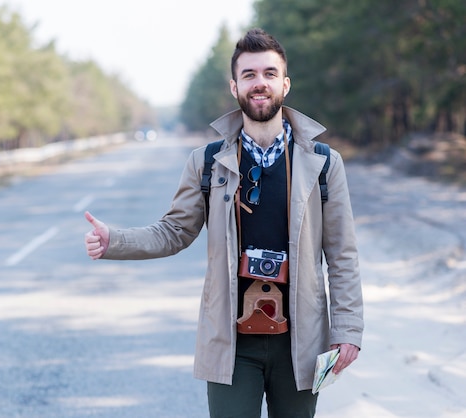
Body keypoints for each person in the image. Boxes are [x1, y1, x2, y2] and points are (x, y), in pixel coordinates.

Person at [84, 28, 363, 418]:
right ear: (235, 87)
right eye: (249, 75)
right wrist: (116, 240)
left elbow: (341, 253)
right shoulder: (207, 162)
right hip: (231, 342)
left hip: (300, 341)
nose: (259, 83)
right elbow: (175, 231)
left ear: (285, 84)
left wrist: (347, 331)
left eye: (269, 73)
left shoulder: (323, 163)